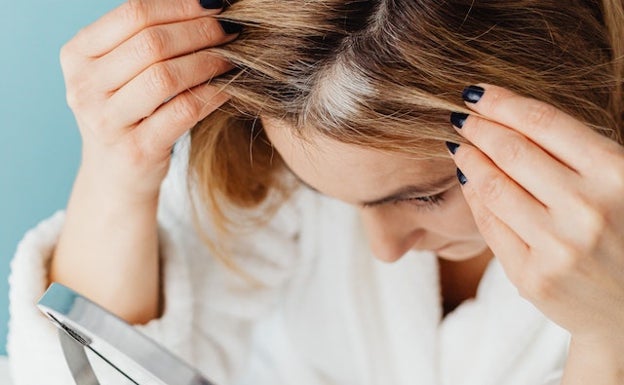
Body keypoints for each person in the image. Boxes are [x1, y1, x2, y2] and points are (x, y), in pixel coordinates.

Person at [7, 0, 624, 384]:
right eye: (335, 198)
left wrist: (609, 342)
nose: (381, 249)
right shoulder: (266, 170)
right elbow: (81, 373)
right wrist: (118, 170)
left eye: (426, 195)